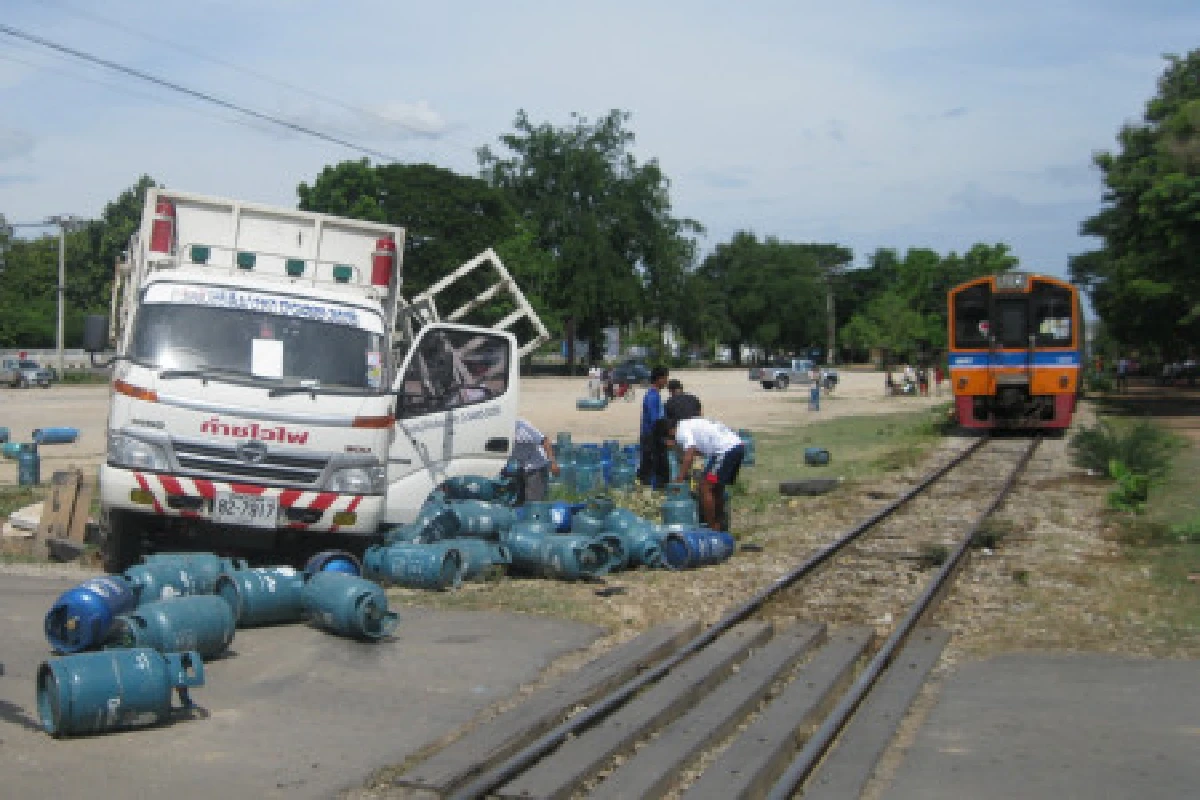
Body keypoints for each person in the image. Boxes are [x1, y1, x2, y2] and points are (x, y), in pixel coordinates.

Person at [657, 416, 745, 532]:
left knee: (705, 487)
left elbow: (689, 455)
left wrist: (680, 478)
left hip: (725, 451)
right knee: (716, 487)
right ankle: (719, 524)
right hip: (735, 446)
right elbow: (697, 450)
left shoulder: (681, 431)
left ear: (669, 432)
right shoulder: (687, 424)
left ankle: (712, 528)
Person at [637, 366, 671, 488]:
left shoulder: (655, 395)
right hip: (650, 435)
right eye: (665, 378)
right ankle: (646, 487)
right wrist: (663, 437)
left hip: (653, 435)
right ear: (659, 379)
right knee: (649, 464)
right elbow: (654, 420)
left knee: (653, 464)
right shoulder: (652, 396)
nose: (667, 381)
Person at [511, 418, 559, 501]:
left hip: (536, 468)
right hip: (522, 467)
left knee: (533, 502)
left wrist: (553, 463)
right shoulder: (501, 430)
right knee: (520, 501)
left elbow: (545, 441)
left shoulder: (522, 426)